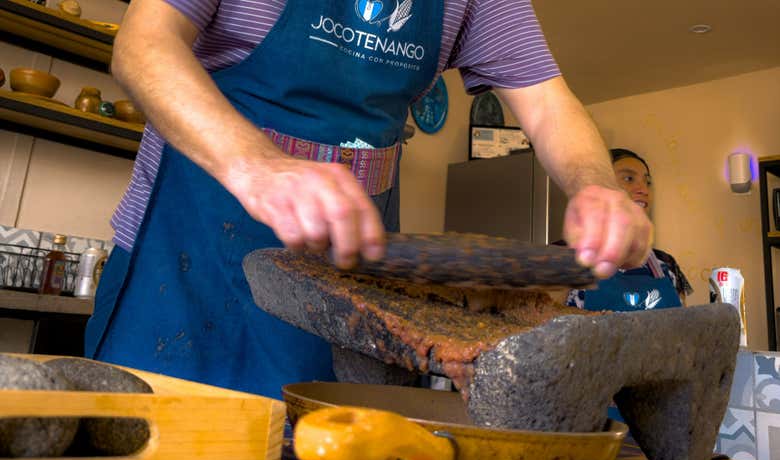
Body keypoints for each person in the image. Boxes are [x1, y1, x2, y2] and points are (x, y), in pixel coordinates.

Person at [84, 0, 653, 398]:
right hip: (184, 271)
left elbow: (549, 104)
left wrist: (597, 187)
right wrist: (258, 165)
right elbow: (142, 44)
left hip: (345, 297)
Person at [563, 148, 693, 311]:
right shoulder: (567, 259)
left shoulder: (665, 264)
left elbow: (685, 329)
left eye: (648, 182)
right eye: (629, 178)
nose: (644, 190)